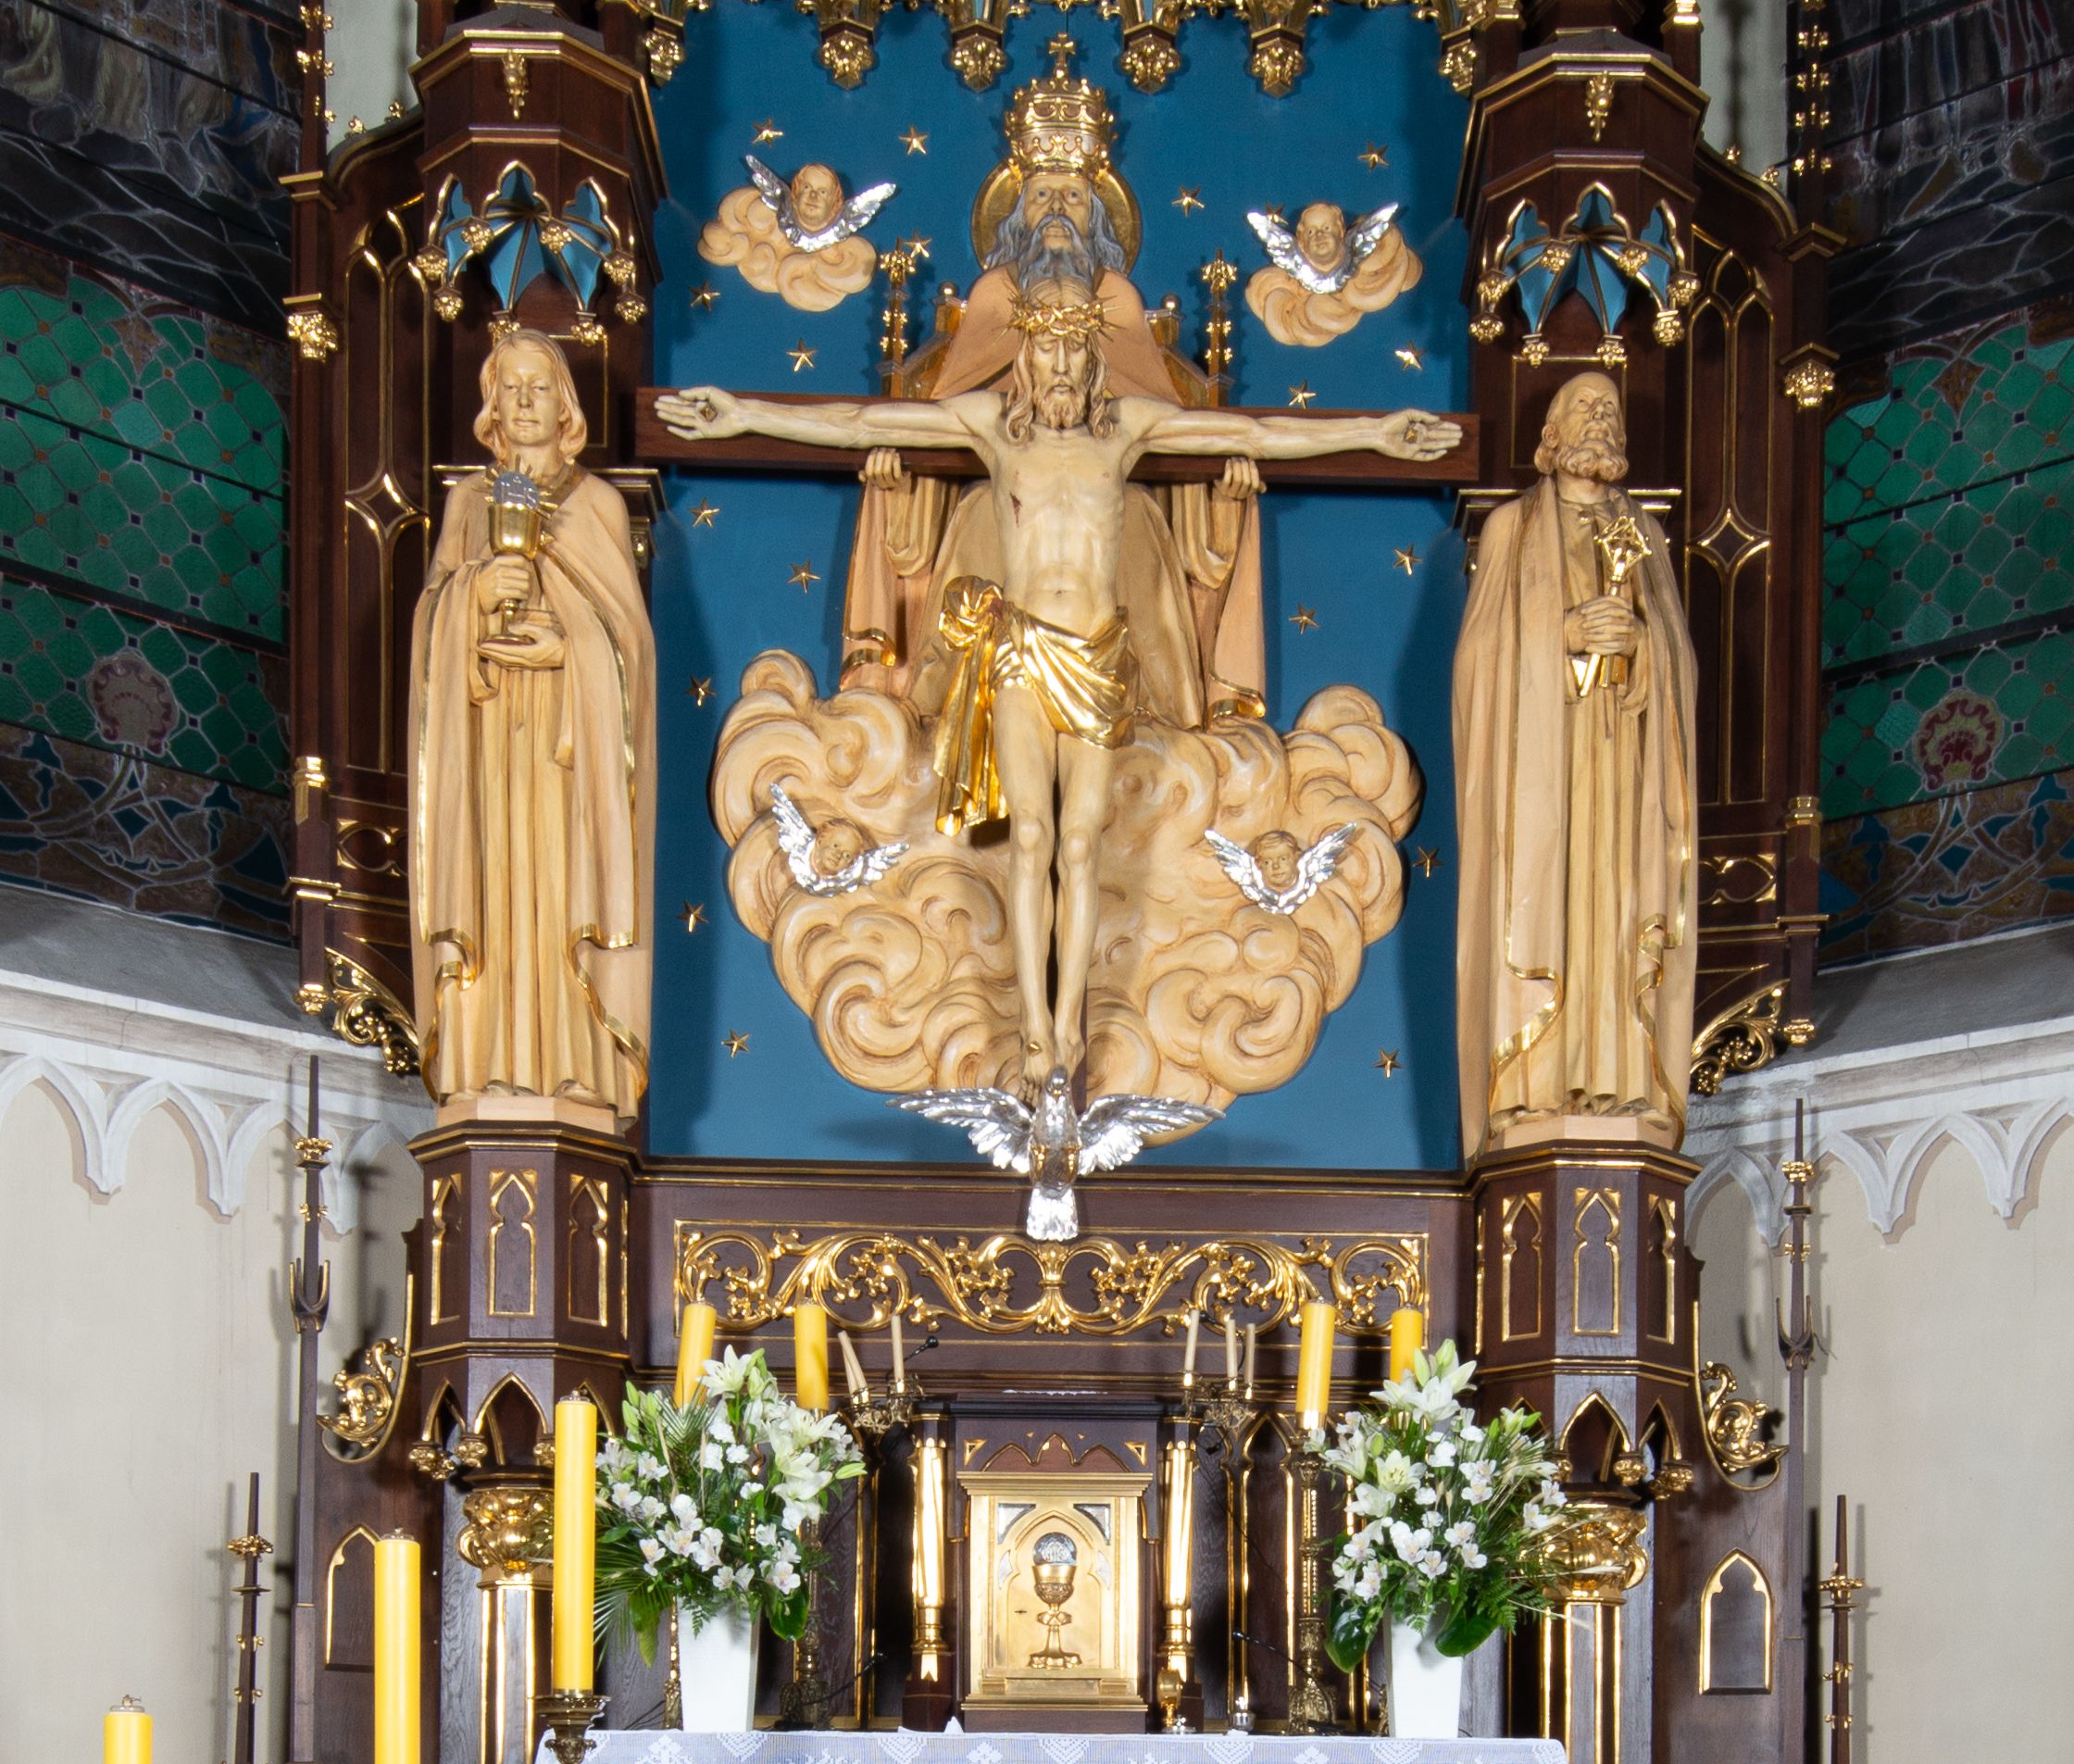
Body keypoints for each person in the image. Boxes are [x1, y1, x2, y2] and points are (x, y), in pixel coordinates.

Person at [667, 312, 1456, 1095]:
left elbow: (1257, 435)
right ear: (1027, 361)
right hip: (1020, 652)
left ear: (1092, 365)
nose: (1061, 370)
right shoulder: (994, 432)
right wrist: (739, 415)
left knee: (1080, 845)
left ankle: (1070, 1022)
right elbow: (862, 422)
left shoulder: (1126, 434)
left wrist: (1380, 433)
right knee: (1029, 835)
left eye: (1075, 353)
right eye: (1047, 352)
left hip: (1097, 659)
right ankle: (1033, 1026)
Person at [407, 329, 656, 1125]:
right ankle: (484, 1063)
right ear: (490, 404)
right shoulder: (467, 503)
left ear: (565, 405)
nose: (522, 402)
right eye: (508, 387)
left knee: (559, 886)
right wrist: (473, 594)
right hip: (486, 737)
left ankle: (574, 1066)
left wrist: (569, 646)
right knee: (491, 885)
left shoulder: (597, 504)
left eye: (538, 387)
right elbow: (429, 625)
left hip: (567, 750)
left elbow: (632, 645)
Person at [1451, 363, 1696, 1154]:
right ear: (1549, 437)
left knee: (1617, 909)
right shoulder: (1512, 528)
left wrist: (1644, 647)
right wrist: (1563, 635)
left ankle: (1622, 1078)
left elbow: (1681, 658)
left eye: (1611, 410)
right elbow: (1477, 661)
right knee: (1550, 905)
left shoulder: (1645, 534)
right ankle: (1534, 1089)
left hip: (1623, 766)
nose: (1601, 420)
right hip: (1541, 770)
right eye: (1584, 408)